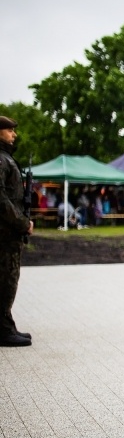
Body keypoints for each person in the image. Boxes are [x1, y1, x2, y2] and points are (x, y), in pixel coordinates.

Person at [0, 116, 34, 347]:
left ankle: (6, 325)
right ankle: (3, 331)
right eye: (10, 131)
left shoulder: (6, 158)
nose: (14, 134)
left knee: (7, 280)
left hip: (8, 232)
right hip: (5, 233)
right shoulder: (2, 160)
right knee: (6, 280)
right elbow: (1, 199)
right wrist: (23, 223)